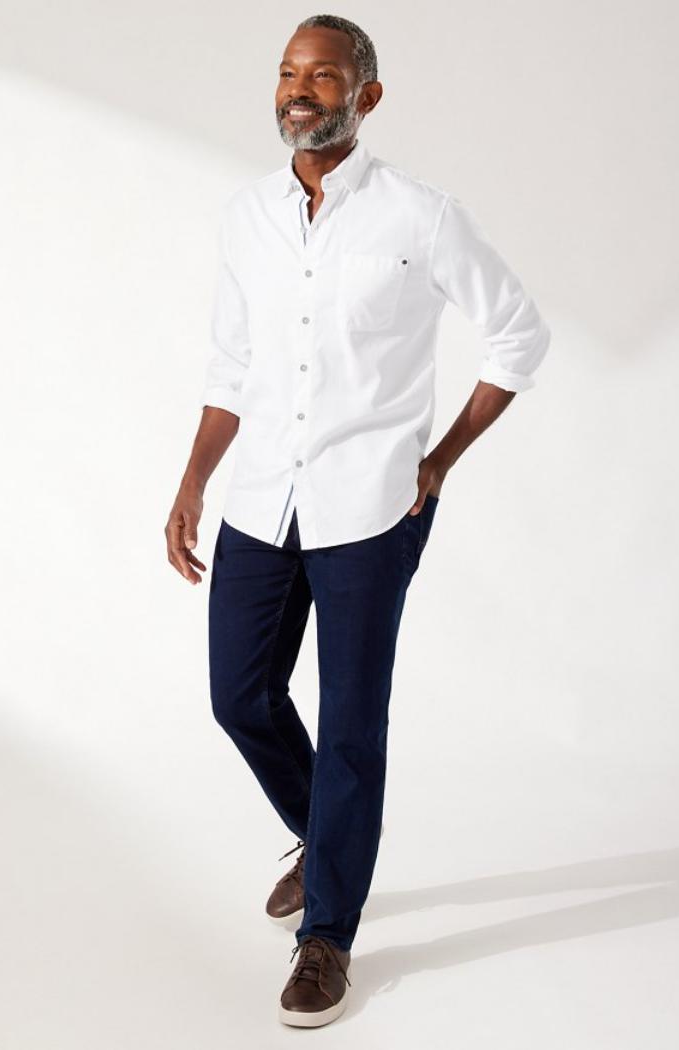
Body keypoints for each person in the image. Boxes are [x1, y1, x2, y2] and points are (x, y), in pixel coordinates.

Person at [165, 13, 551, 1029]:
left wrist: (438, 459)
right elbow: (231, 366)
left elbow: (518, 335)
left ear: (365, 97)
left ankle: (327, 936)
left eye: (324, 76)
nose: (299, 89)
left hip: (373, 506)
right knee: (239, 695)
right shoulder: (247, 215)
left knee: (349, 724)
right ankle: (327, 836)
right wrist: (194, 481)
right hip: (262, 498)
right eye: (288, 72)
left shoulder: (422, 217)